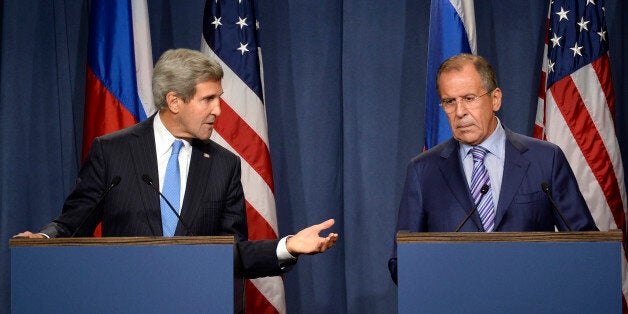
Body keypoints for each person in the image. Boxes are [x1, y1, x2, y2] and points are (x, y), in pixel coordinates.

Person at [15, 48, 338, 279]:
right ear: (174, 101)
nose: (218, 111)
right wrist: (43, 240)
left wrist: (288, 246)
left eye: (219, 99)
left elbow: (233, 252)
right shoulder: (113, 151)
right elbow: (74, 224)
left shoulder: (223, 165)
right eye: (208, 99)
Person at [388, 53, 597, 283]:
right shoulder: (423, 171)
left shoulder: (545, 159)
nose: (459, 112)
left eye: (469, 98)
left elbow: (586, 245)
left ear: (495, 99)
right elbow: (402, 263)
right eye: (449, 102)